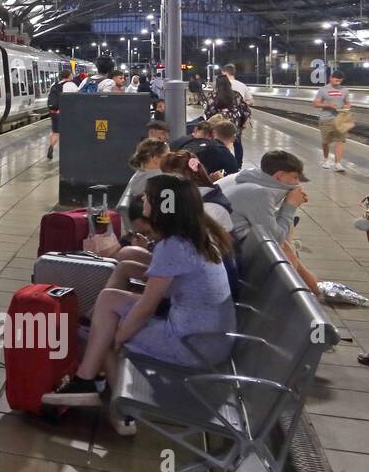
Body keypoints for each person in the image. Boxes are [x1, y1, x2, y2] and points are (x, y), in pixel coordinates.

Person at [47, 175, 236, 431]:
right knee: (107, 310)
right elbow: (169, 287)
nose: (143, 198)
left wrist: (118, 336)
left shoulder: (173, 245)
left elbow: (147, 306)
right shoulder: (195, 234)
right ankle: (90, 381)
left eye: (148, 196)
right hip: (210, 339)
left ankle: (116, 406)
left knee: (106, 332)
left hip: (192, 345)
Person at [218, 149, 307, 245]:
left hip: (217, 238)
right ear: (279, 175)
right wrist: (290, 206)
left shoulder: (249, 177)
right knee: (284, 245)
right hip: (226, 248)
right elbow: (275, 239)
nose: (297, 183)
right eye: (295, 177)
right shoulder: (260, 193)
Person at [314, 69, 353, 171]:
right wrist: (328, 105)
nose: (338, 83)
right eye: (336, 81)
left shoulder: (345, 90)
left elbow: (348, 103)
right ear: (330, 78)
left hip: (340, 119)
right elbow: (316, 103)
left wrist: (346, 107)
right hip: (326, 119)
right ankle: (326, 160)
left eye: (340, 81)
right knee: (326, 141)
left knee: (340, 141)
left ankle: (338, 163)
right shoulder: (323, 89)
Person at [208, 73, 250, 164]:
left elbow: (209, 111)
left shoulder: (213, 96)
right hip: (234, 124)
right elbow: (245, 110)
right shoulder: (236, 95)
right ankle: (238, 164)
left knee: (218, 144)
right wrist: (242, 124)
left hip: (218, 124)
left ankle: (221, 162)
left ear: (217, 84)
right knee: (237, 144)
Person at [171, 121, 238, 178]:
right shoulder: (228, 157)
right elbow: (233, 182)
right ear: (233, 138)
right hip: (195, 188)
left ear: (213, 133)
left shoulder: (194, 142)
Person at [219, 65, 252, 164]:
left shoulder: (221, 85)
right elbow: (251, 101)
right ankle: (238, 164)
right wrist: (241, 105)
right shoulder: (242, 85)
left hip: (222, 119)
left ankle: (224, 162)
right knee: (237, 142)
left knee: (221, 142)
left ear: (225, 72)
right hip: (238, 118)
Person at [46, 66, 79, 160]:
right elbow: (76, 98)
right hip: (65, 112)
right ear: (69, 76)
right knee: (69, 132)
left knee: (55, 132)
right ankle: (67, 151)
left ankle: (51, 147)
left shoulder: (54, 84)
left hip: (53, 112)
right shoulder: (70, 85)